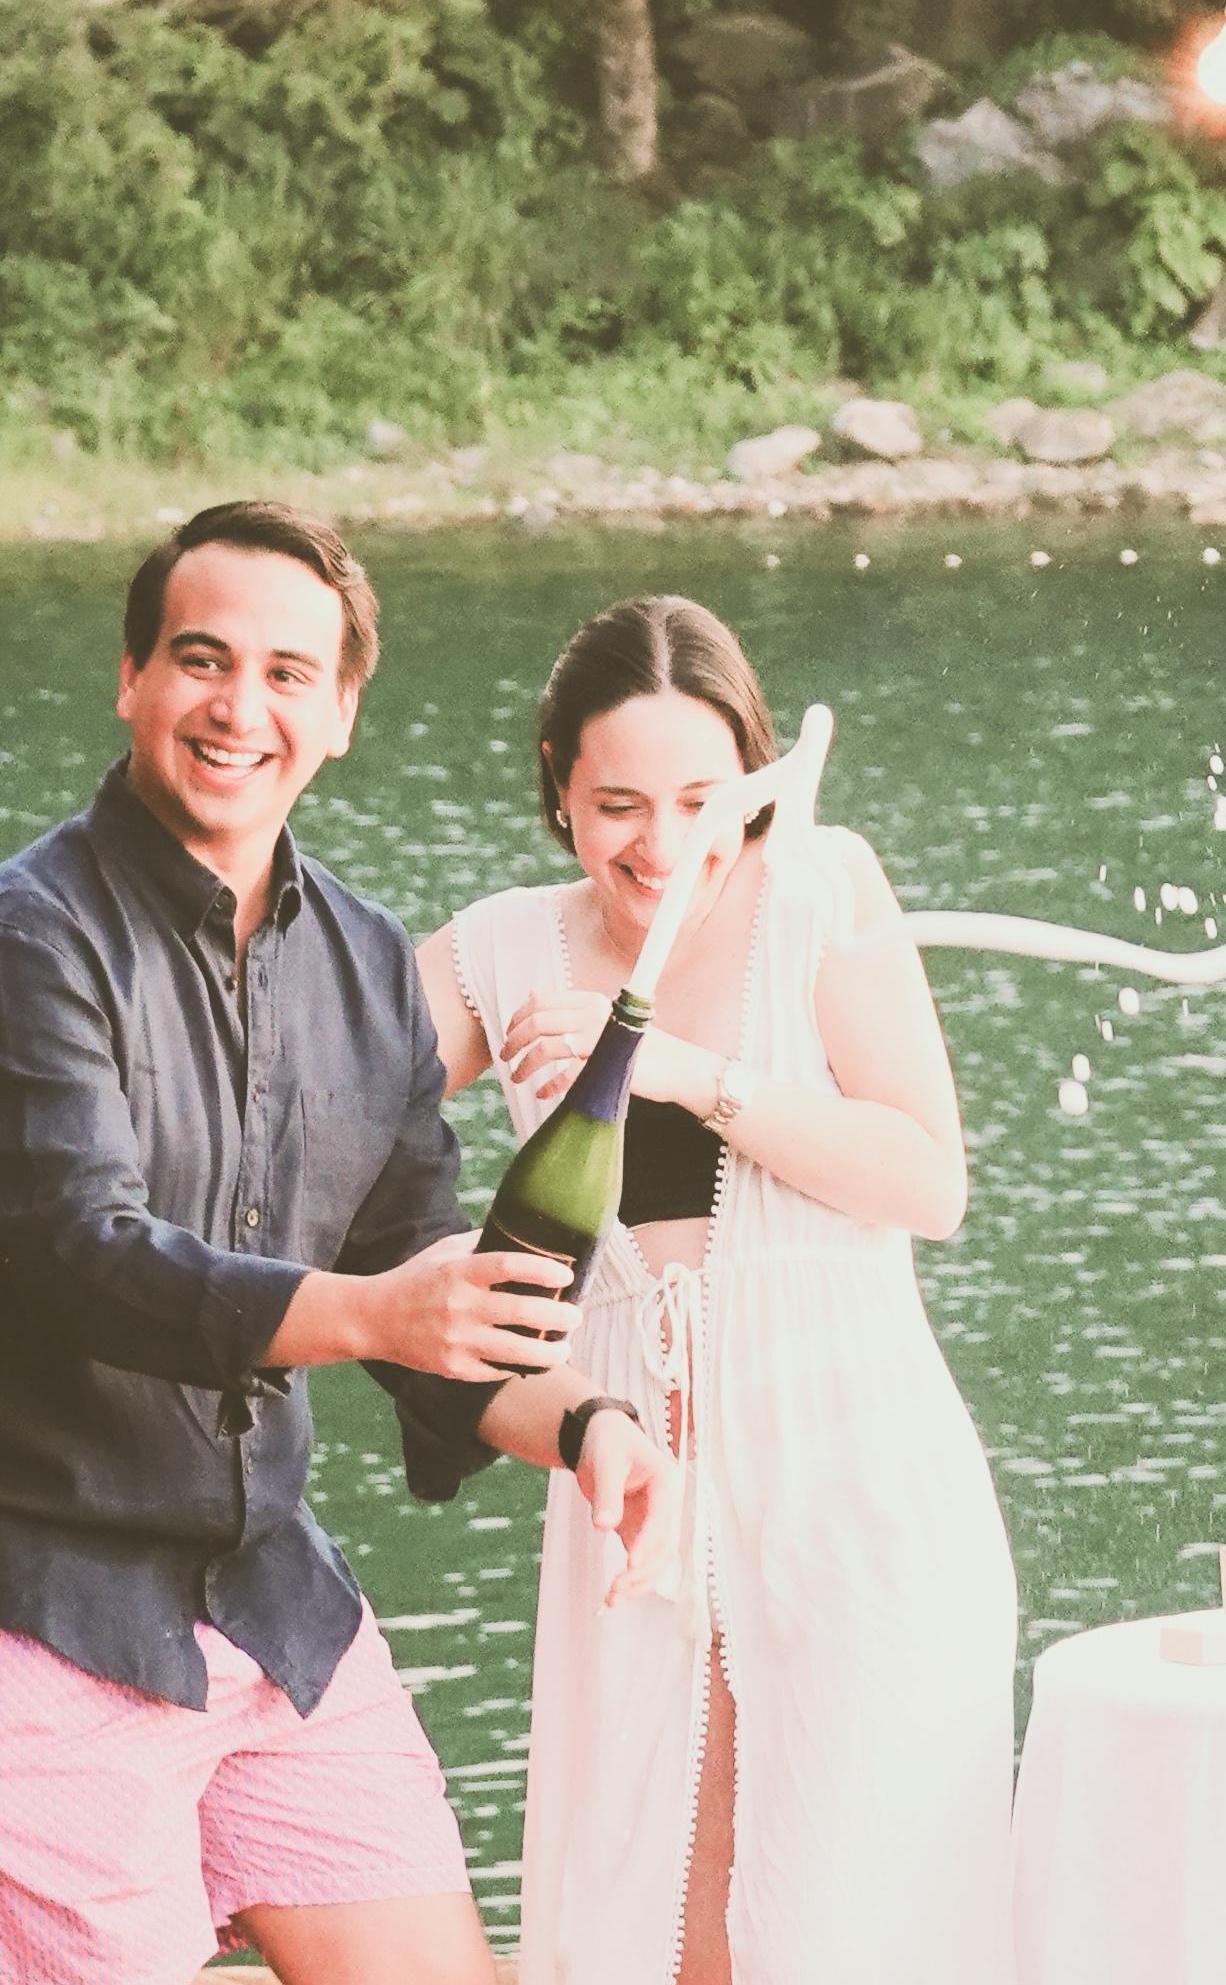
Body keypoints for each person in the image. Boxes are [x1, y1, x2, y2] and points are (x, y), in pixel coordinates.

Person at [0, 500, 683, 1985]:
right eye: (201, 659)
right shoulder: (27, 942)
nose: (240, 707)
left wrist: (590, 1424)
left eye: (289, 673)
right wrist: (376, 1313)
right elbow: (84, 1255)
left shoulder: (365, 962)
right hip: (16, 1582)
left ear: (342, 712)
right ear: (132, 680)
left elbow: (432, 1288)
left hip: (263, 1595)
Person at [419, 596, 1015, 1985]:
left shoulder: (821, 889)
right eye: (618, 806)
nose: (663, 844)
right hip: (636, 1498)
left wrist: (687, 1074)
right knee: (652, 1925)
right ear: (559, 784)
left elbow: (929, 1181)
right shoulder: (501, 949)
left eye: (699, 800)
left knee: (847, 1928)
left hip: (853, 1485)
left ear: (752, 776)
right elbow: (309, 1102)